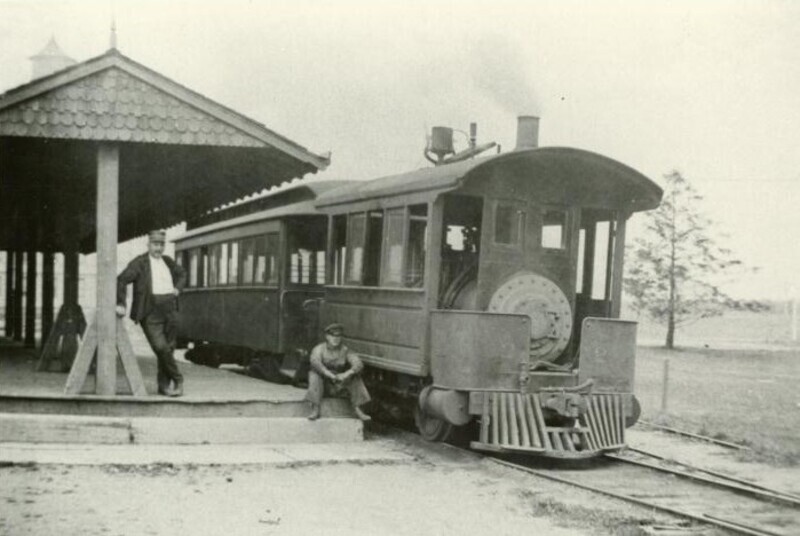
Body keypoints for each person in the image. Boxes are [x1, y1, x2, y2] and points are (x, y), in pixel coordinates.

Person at [116, 230, 186, 397]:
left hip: (170, 309)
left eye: (161, 245)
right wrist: (120, 303)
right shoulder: (140, 263)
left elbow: (182, 273)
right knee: (160, 347)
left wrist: (178, 288)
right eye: (155, 244)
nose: (159, 248)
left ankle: (164, 386)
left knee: (168, 348)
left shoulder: (168, 261)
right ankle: (178, 379)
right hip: (150, 311)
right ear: (148, 245)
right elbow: (121, 280)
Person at [306, 323, 371, 421]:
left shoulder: (345, 350)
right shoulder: (319, 349)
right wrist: (328, 374)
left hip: (338, 383)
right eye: (333, 336)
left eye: (338, 336)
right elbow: (315, 363)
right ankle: (315, 408)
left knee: (355, 377)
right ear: (327, 337)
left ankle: (358, 409)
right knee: (314, 376)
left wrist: (346, 374)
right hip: (324, 384)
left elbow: (358, 363)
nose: (336, 339)